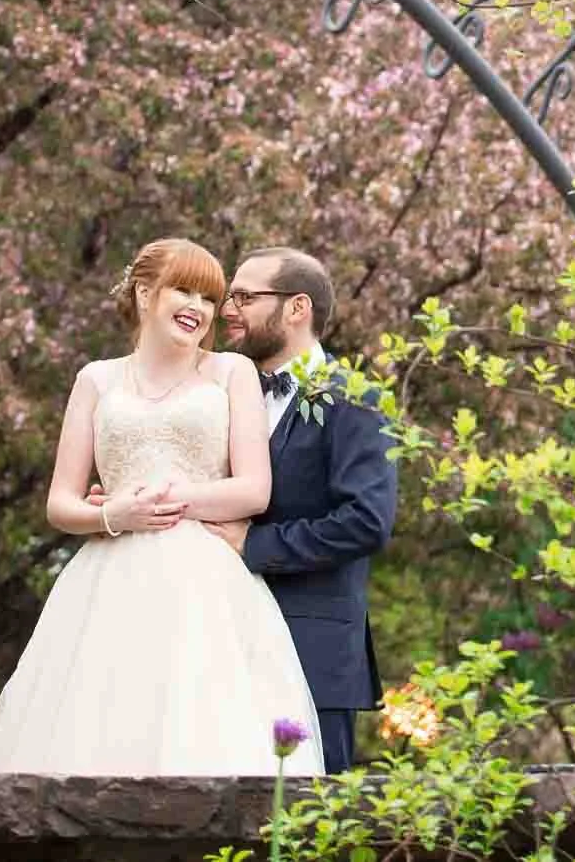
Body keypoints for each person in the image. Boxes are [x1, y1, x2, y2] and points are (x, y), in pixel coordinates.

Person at [0, 238, 322, 775]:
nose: (199, 309)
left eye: (209, 298)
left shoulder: (231, 373)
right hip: (108, 576)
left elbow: (254, 489)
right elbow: (61, 502)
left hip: (206, 580)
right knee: (94, 726)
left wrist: (171, 501)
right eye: (183, 291)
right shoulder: (97, 379)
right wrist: (113, 516)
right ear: (144, 294)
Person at [211, 246, 397, 776]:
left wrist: (255, 546)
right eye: (230, 296)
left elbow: (367, 520)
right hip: (218, 642)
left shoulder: (356, 398)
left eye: (245, 297)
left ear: (297, 308)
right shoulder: (218, 396)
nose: (228, 309)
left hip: (312, 655)